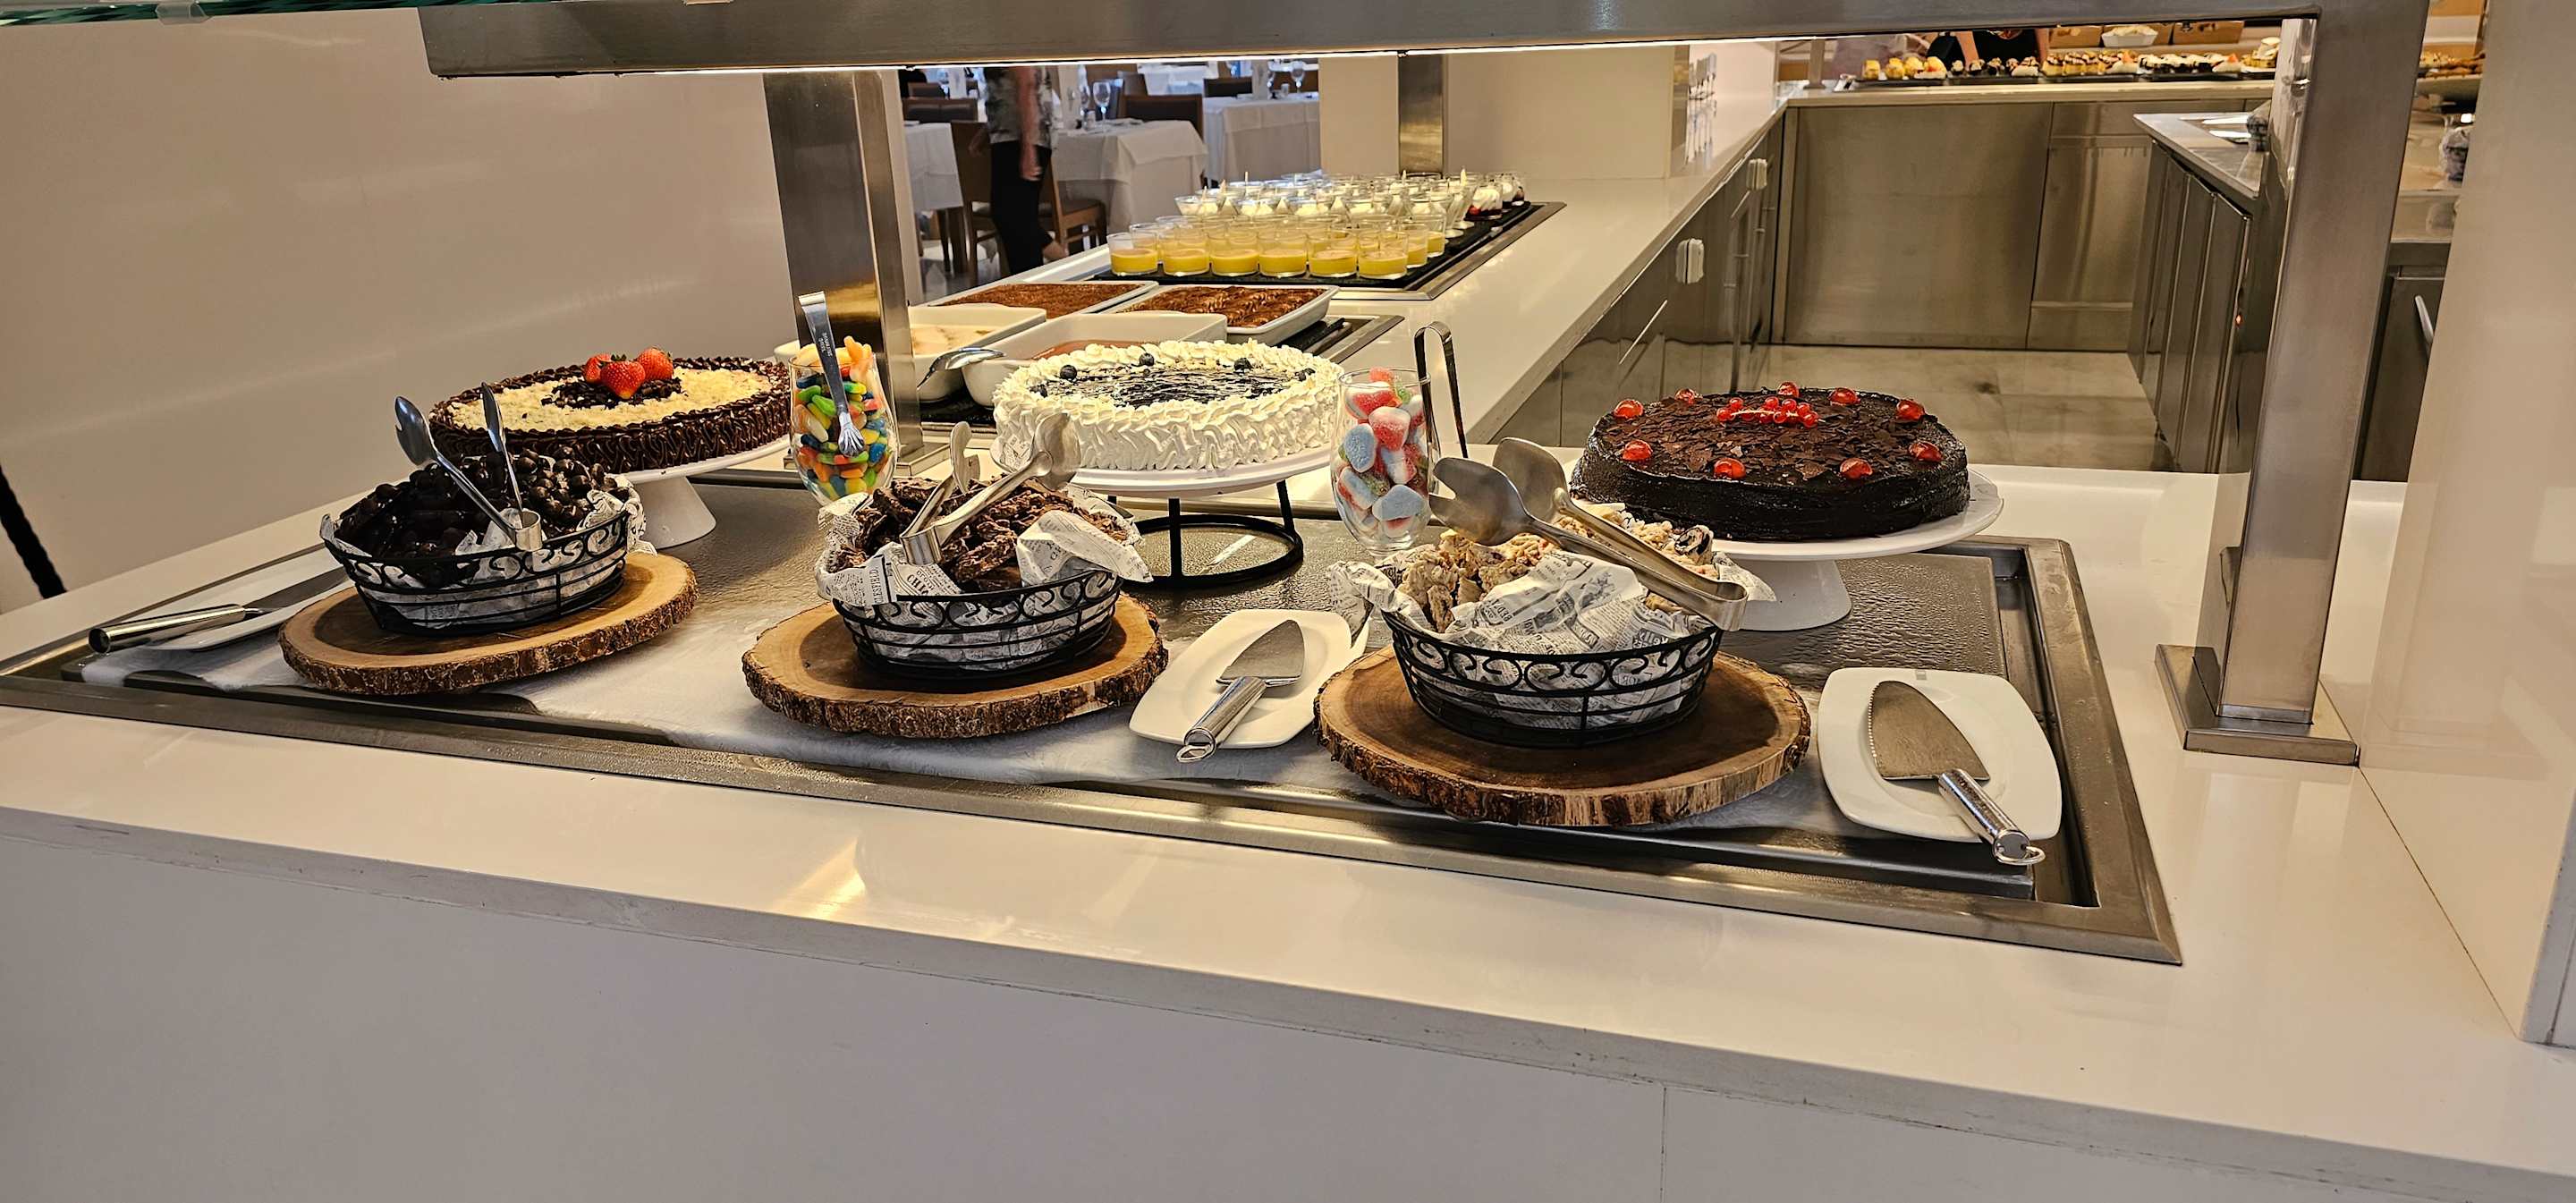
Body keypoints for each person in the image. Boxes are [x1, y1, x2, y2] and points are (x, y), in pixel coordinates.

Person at [982, 65, 1060, 275]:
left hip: (1021, 136)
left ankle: (1059, 266)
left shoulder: (1013, 45)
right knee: (1013, 216)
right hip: (1009, 135)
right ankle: (1049, 270)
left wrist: (1028, 147)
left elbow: (1027, 85)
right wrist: (986, 132)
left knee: (1013, 216)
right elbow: (1004, 92)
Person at [1925, 28, 2048, 67]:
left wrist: (2045, 61)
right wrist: (1973, 62)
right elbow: (1961, 8)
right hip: (1967, 46)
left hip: (2020, 47)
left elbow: (2041, 8)